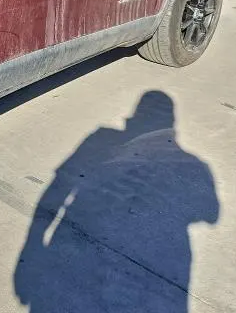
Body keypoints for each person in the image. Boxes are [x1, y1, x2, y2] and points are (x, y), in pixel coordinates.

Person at [14, 91, 219, 312]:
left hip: (76, 250)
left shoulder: (100, 137)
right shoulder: (196, 165)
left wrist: (32, 244)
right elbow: (212, 215)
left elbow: (59, 182)